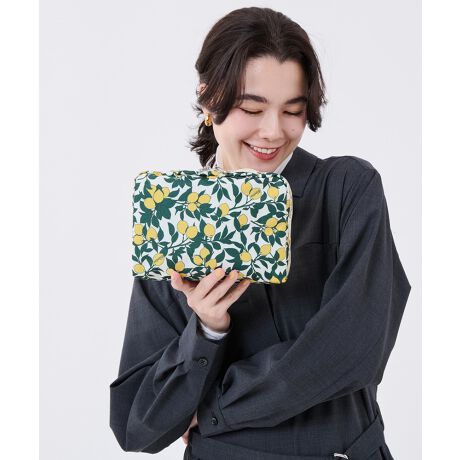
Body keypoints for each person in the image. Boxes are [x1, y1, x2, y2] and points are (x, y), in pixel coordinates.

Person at [109, 7, 411, 460]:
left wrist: (213, 409)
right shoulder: (172, 217)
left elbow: (351, 351)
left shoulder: (347, 188)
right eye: (251, 108)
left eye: (293, 111)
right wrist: (206, 330)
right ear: (208, 98)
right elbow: (137, 424)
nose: (273, 132)